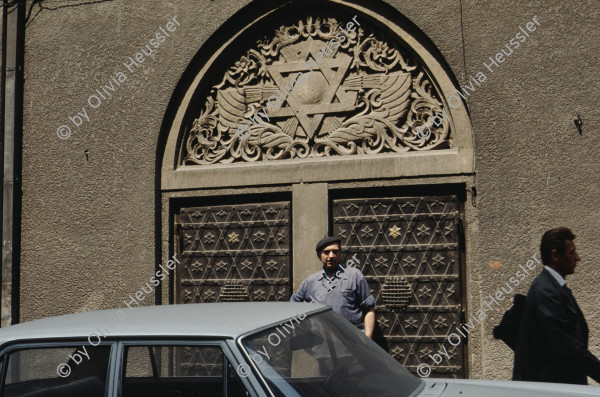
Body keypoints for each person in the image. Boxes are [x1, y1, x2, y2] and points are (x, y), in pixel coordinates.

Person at [513, 227, 600, 384]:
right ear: (555, 255)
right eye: (572, 252)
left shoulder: (554, 287)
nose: (578, 258)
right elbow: (567, 347)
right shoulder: (546, 291)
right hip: (550, 387)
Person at [290, 236, 376, 338]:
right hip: (322, 347)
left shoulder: (355, 276)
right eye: (326, 252)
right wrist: (307, 333)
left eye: (335, 251)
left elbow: (369, 310)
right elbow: (293, 309)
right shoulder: (310, 282)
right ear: (319, 256)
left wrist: (367, 339)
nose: (331, 256)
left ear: (340, 254)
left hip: (353, 345)